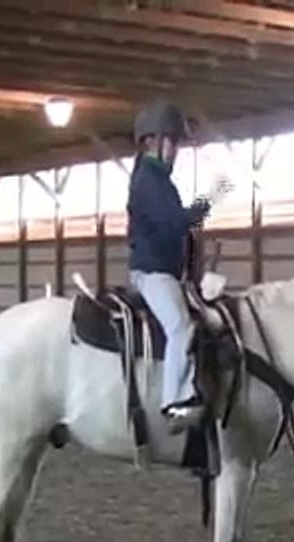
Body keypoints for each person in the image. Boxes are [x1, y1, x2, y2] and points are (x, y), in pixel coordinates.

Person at [127, 100, 212, 433]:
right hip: (153, 272)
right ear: (154, 141)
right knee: (180, 326)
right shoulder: (149, 179)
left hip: (167, 271)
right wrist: (205, 205)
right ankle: (174, 400)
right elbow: (173, 223)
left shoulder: (157, 178)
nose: (176, 150)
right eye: (172, 142)